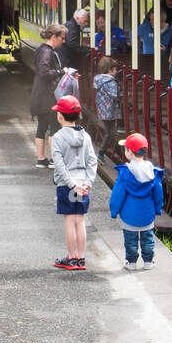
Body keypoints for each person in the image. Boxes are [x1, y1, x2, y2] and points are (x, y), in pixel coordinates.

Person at [50, 95, 98, 271]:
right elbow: (93, 161)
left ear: (60, 116)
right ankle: (81, 258)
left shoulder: (57, 137)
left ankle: (70, 258)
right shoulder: (85, 136)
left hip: (67, 185)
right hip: (83, 183)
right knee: (80, 220)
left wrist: (71, 184)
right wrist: (88, 182)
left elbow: (59, 164)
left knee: (70, 220)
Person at [109, 132, 165, 271]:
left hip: (129, 214)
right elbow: (158, 193)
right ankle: (148, 261)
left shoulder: (125, 172)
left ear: (129, 152)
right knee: (148, 239)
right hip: (147, 212)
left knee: (130, 240)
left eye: (125, 148)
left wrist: (114, 210)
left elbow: (118, 194)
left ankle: (131, 262)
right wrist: (158, 208)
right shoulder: (153, 172)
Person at [29, 24, 66, 168]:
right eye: (62, 38)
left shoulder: (41, 49)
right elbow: (45, 72)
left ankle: (41, 159)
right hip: (47, 97)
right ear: (54, 36)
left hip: (39, 95)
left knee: (42, 126)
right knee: (55, 126)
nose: (63, 41)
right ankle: (52, 159)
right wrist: (61, 72)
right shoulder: (47, 52)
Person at [94, 55, 122, 151]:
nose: (116, 71)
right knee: (110, 133)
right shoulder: (111, 82)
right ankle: (101, 153)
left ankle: (102, 152)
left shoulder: (98, 80)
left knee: (109, 131)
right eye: (115, 69)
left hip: (102, 110)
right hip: (110, 111)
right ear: (109, 70)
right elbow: (115, 95)